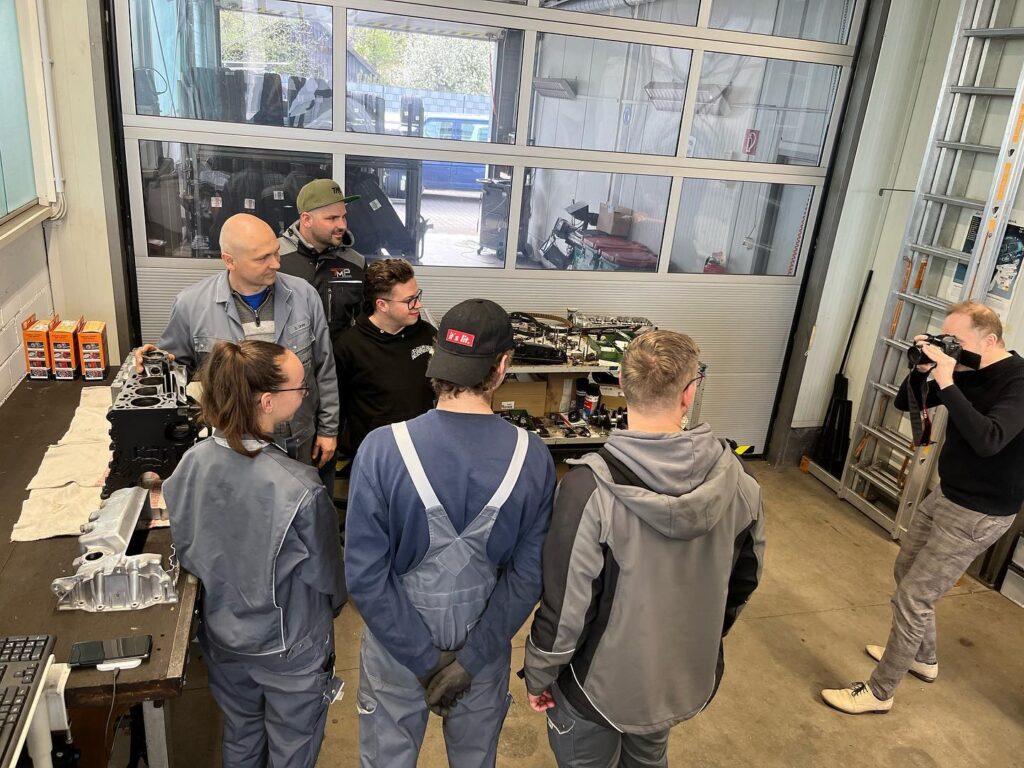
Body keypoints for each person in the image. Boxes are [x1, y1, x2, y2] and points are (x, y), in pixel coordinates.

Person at [524, 330, 765, 768]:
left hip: (596, 691)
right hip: (674, 681)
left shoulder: (587, 490)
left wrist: (540, 674)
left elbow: (566, 610)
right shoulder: (741, 484)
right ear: (690, 393)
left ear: (620, 382)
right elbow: (743, 582)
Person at [345, 299, 556, 767]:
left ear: (437, 357)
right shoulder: (533, 457)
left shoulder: (382, 449)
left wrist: (424, 661)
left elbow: (364, 576)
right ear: (502, 365)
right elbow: (527, 577)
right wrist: (468, 662)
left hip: (397, 650)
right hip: (480, 654)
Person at [822, 301, 1024, 714]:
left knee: (915, 596)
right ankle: (922, 657)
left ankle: (880, 692)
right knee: (905, 572)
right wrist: (921, 371)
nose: (950, 348)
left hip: (979, 512)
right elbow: (905, 404)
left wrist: (947, 379)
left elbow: (989, 439)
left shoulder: (1018, 382)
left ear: (989, 340)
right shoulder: (965, 368)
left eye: (957, 341)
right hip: (947, 493)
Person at [163, 340, 346, 768]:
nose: (306, 394)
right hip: (288, 646)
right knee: (293, 744)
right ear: (266, 401)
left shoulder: (190, 463)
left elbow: (186, 544)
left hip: (223, 636)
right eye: (300, 388)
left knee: (242, 731)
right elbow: (328, 578)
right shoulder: (301, 489)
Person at [134, 213, 339, 485]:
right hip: (232, 446)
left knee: (300, 503)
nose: (276, 263)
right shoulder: (191, 305)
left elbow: (325, 367)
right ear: (229, 260)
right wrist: (155, 361)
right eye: (262, 258)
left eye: (276, 252)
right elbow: (175, 371)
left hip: (296, 440)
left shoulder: (304, 295)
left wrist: (328, 429)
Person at [333, 258, 435, 460]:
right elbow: (337, 405)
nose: (418, 305)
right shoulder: (349, 346)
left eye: (417, 296)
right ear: (382, 305)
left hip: (423, 448)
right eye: (409, 300)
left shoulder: (428, 335)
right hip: (376, 454)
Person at [278, 178, 366, 342]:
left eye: (343, 217)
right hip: (289, 357)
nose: (342, 225)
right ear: (306, 219)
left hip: (340, 356)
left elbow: (366, 321)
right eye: (332, 218)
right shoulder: (275, 258)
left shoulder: (356, 262)